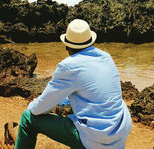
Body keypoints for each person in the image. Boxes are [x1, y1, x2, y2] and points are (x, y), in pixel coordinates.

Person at [8, 19, 132, 149]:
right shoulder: (106, 57)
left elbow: (41, 107)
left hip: (98, 138)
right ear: (91, 41)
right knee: (74, 103)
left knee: (28, 118)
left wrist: (31, 105)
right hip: (120, 130)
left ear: (67, 46)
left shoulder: (69, 65)